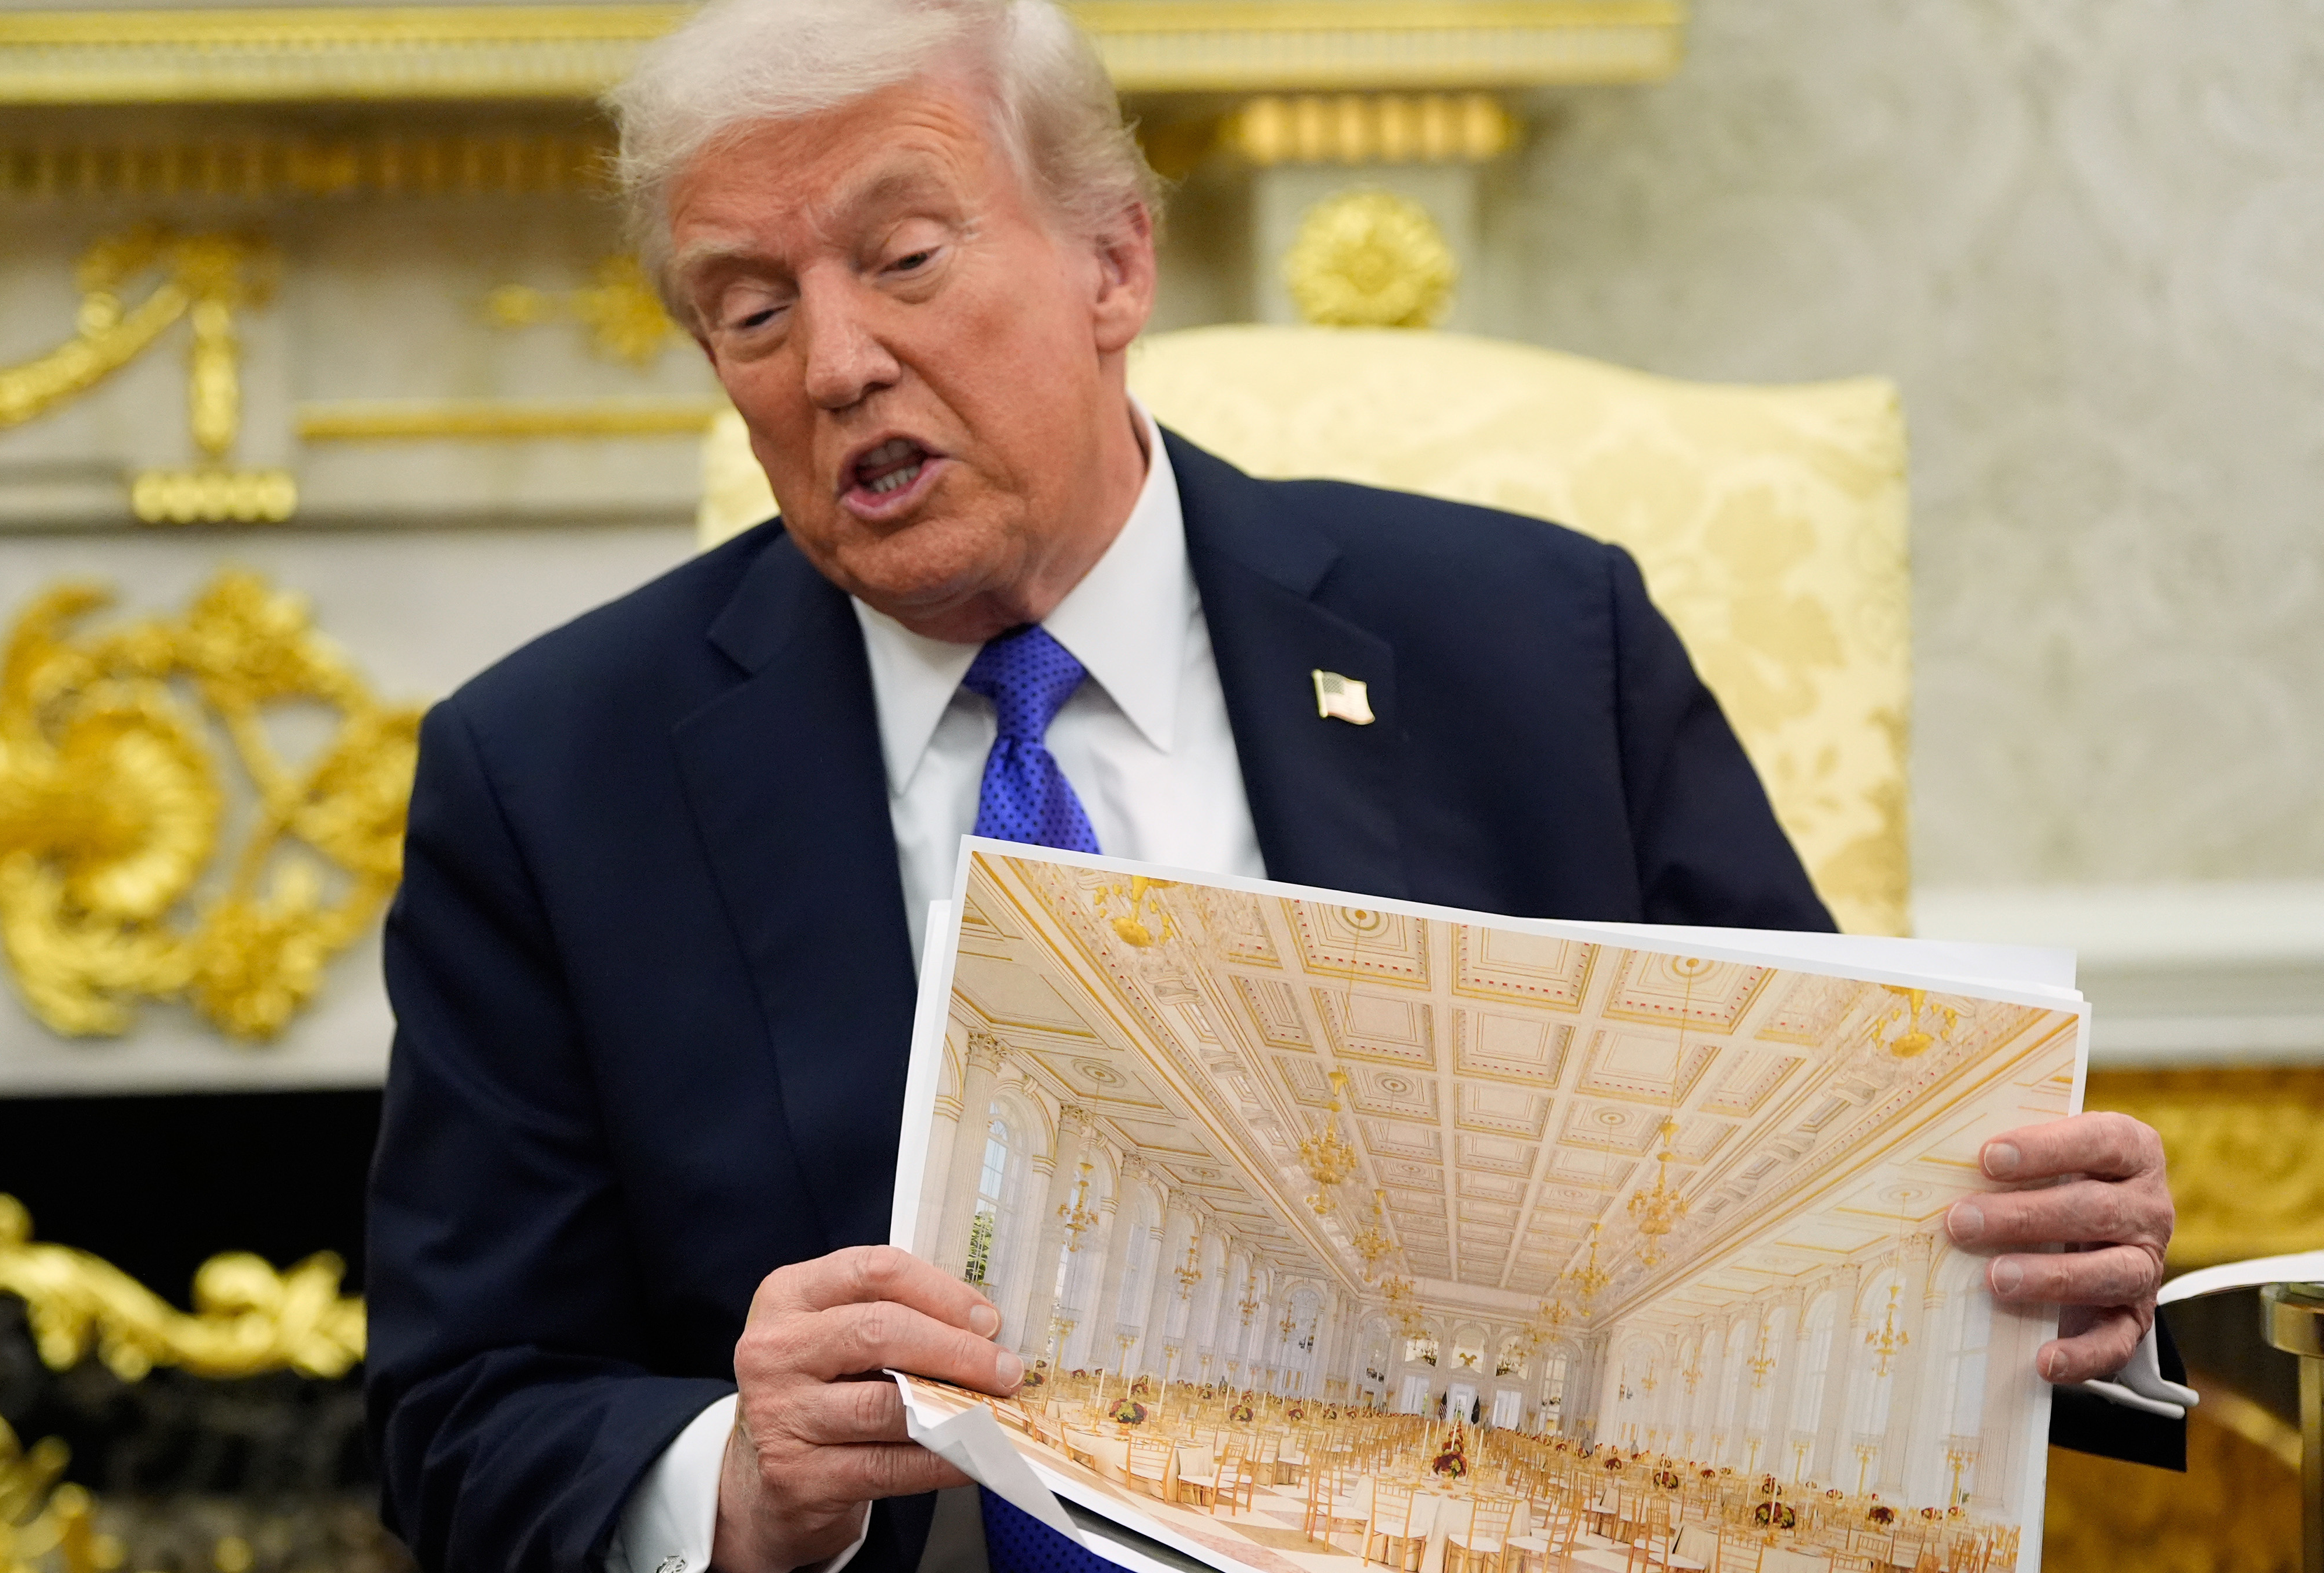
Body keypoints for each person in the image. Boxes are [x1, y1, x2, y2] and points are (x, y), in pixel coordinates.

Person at [364, 1, 2183, 1569]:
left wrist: (2032, 1273)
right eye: (748, 311)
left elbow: (1835, 1206)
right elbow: (460, 1415)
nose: (837, 363)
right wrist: (740, 1487)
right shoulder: (552, 778)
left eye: (905, 259)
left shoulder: (1538, 649)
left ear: (1113, 264)